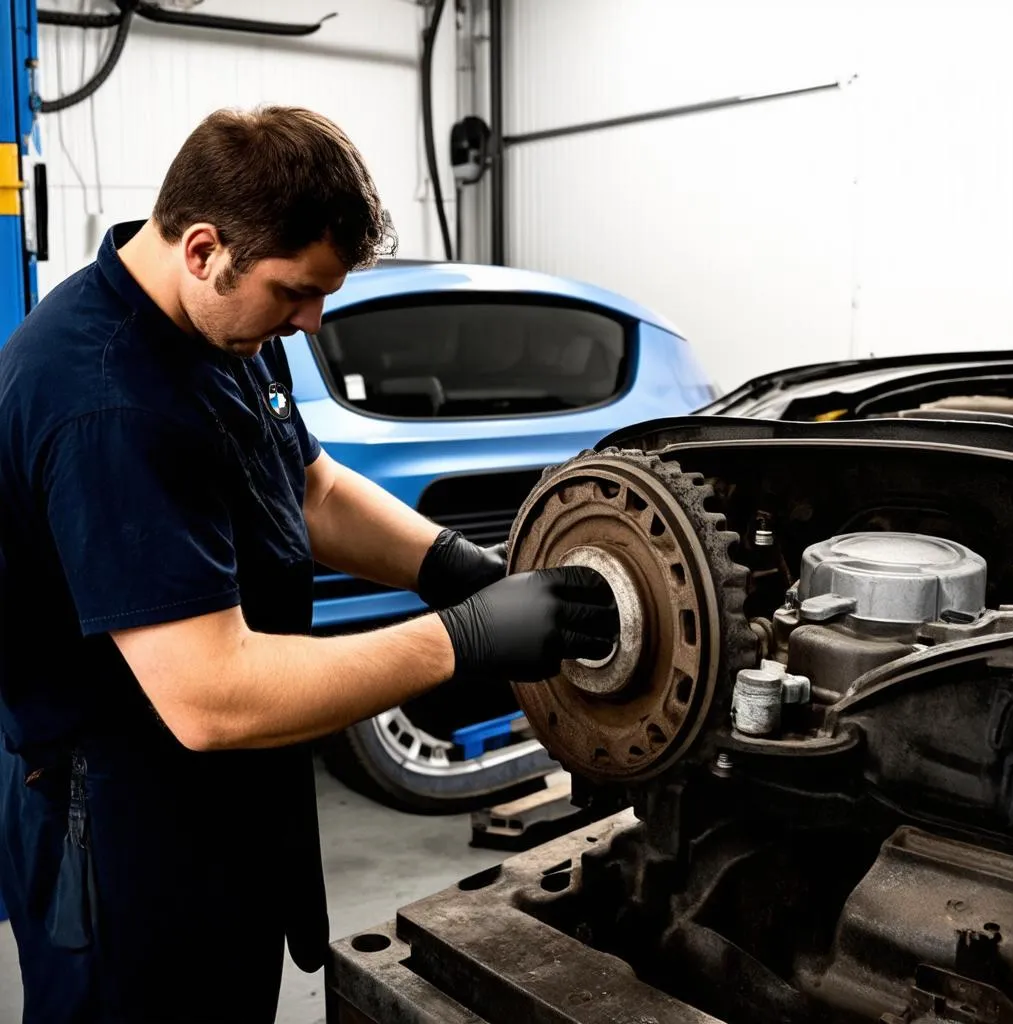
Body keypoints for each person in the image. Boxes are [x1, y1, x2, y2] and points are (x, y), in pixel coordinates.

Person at [0, 106, 617, 1023]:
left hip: (218, 804)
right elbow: (210, 696)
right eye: (296, 292)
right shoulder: (110, 406)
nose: (312, 320)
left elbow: (312, 490)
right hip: (121, 831)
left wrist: (454, 566)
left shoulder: (212, 324)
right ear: (204, 247)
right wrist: (463, 640)